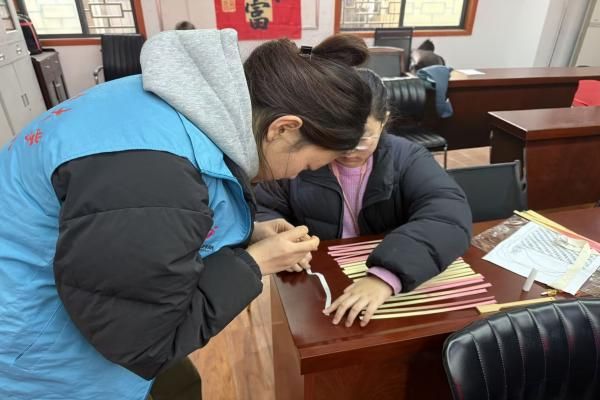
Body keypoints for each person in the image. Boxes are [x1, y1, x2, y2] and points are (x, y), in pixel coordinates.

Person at [0, 30, 373, 399]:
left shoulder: (172, 105)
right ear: (284, 128)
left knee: (182, 385)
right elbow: (146, 343)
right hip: (38, 356)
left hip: (81, 315)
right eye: (307, 165)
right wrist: (254, 263)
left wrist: (249, 233)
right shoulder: (151, 173)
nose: (293, 176)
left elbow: (145, 233)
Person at [255, 68, 472, 328]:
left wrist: (386, 276)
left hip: (387, 275)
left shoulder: (407, 158)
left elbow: (448, 215)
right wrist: (278, 237)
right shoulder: (302, 158)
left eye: (361, 138)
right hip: (315, 278)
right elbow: (262, 206)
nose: (348, 149)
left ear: (384, 121)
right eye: (339, 136)